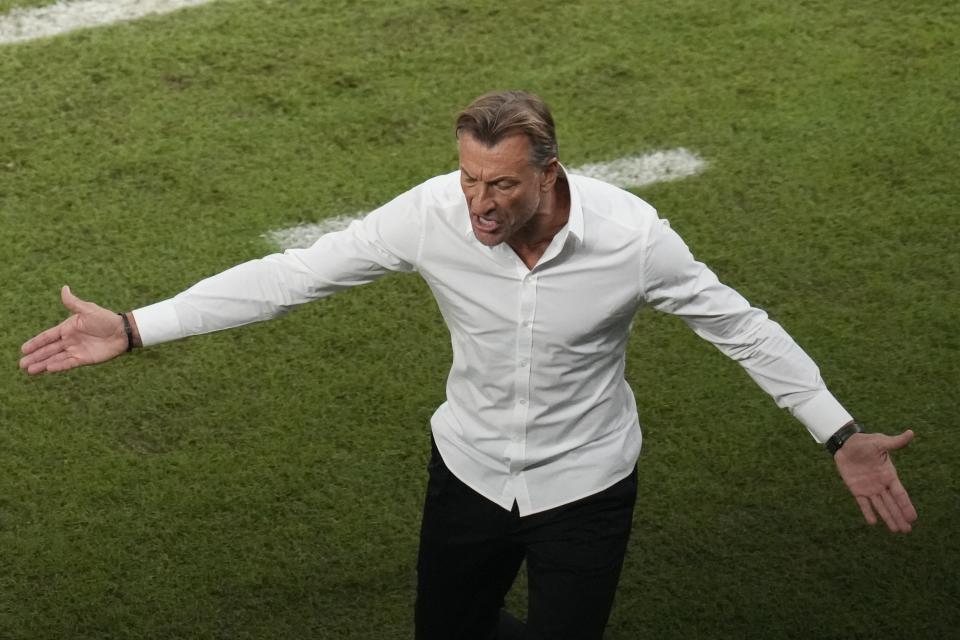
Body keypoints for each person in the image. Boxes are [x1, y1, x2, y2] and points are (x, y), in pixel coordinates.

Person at [19, 91, 917, 640]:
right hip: (469, 476)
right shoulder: (432, 214)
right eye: (468, 181)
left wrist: (837, 431)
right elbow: (293, 277)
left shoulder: (635, 239)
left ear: (550, 172)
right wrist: (137, 327)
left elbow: (743, 328)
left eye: (501, 187)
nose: (479, 207)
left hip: (587, 491)